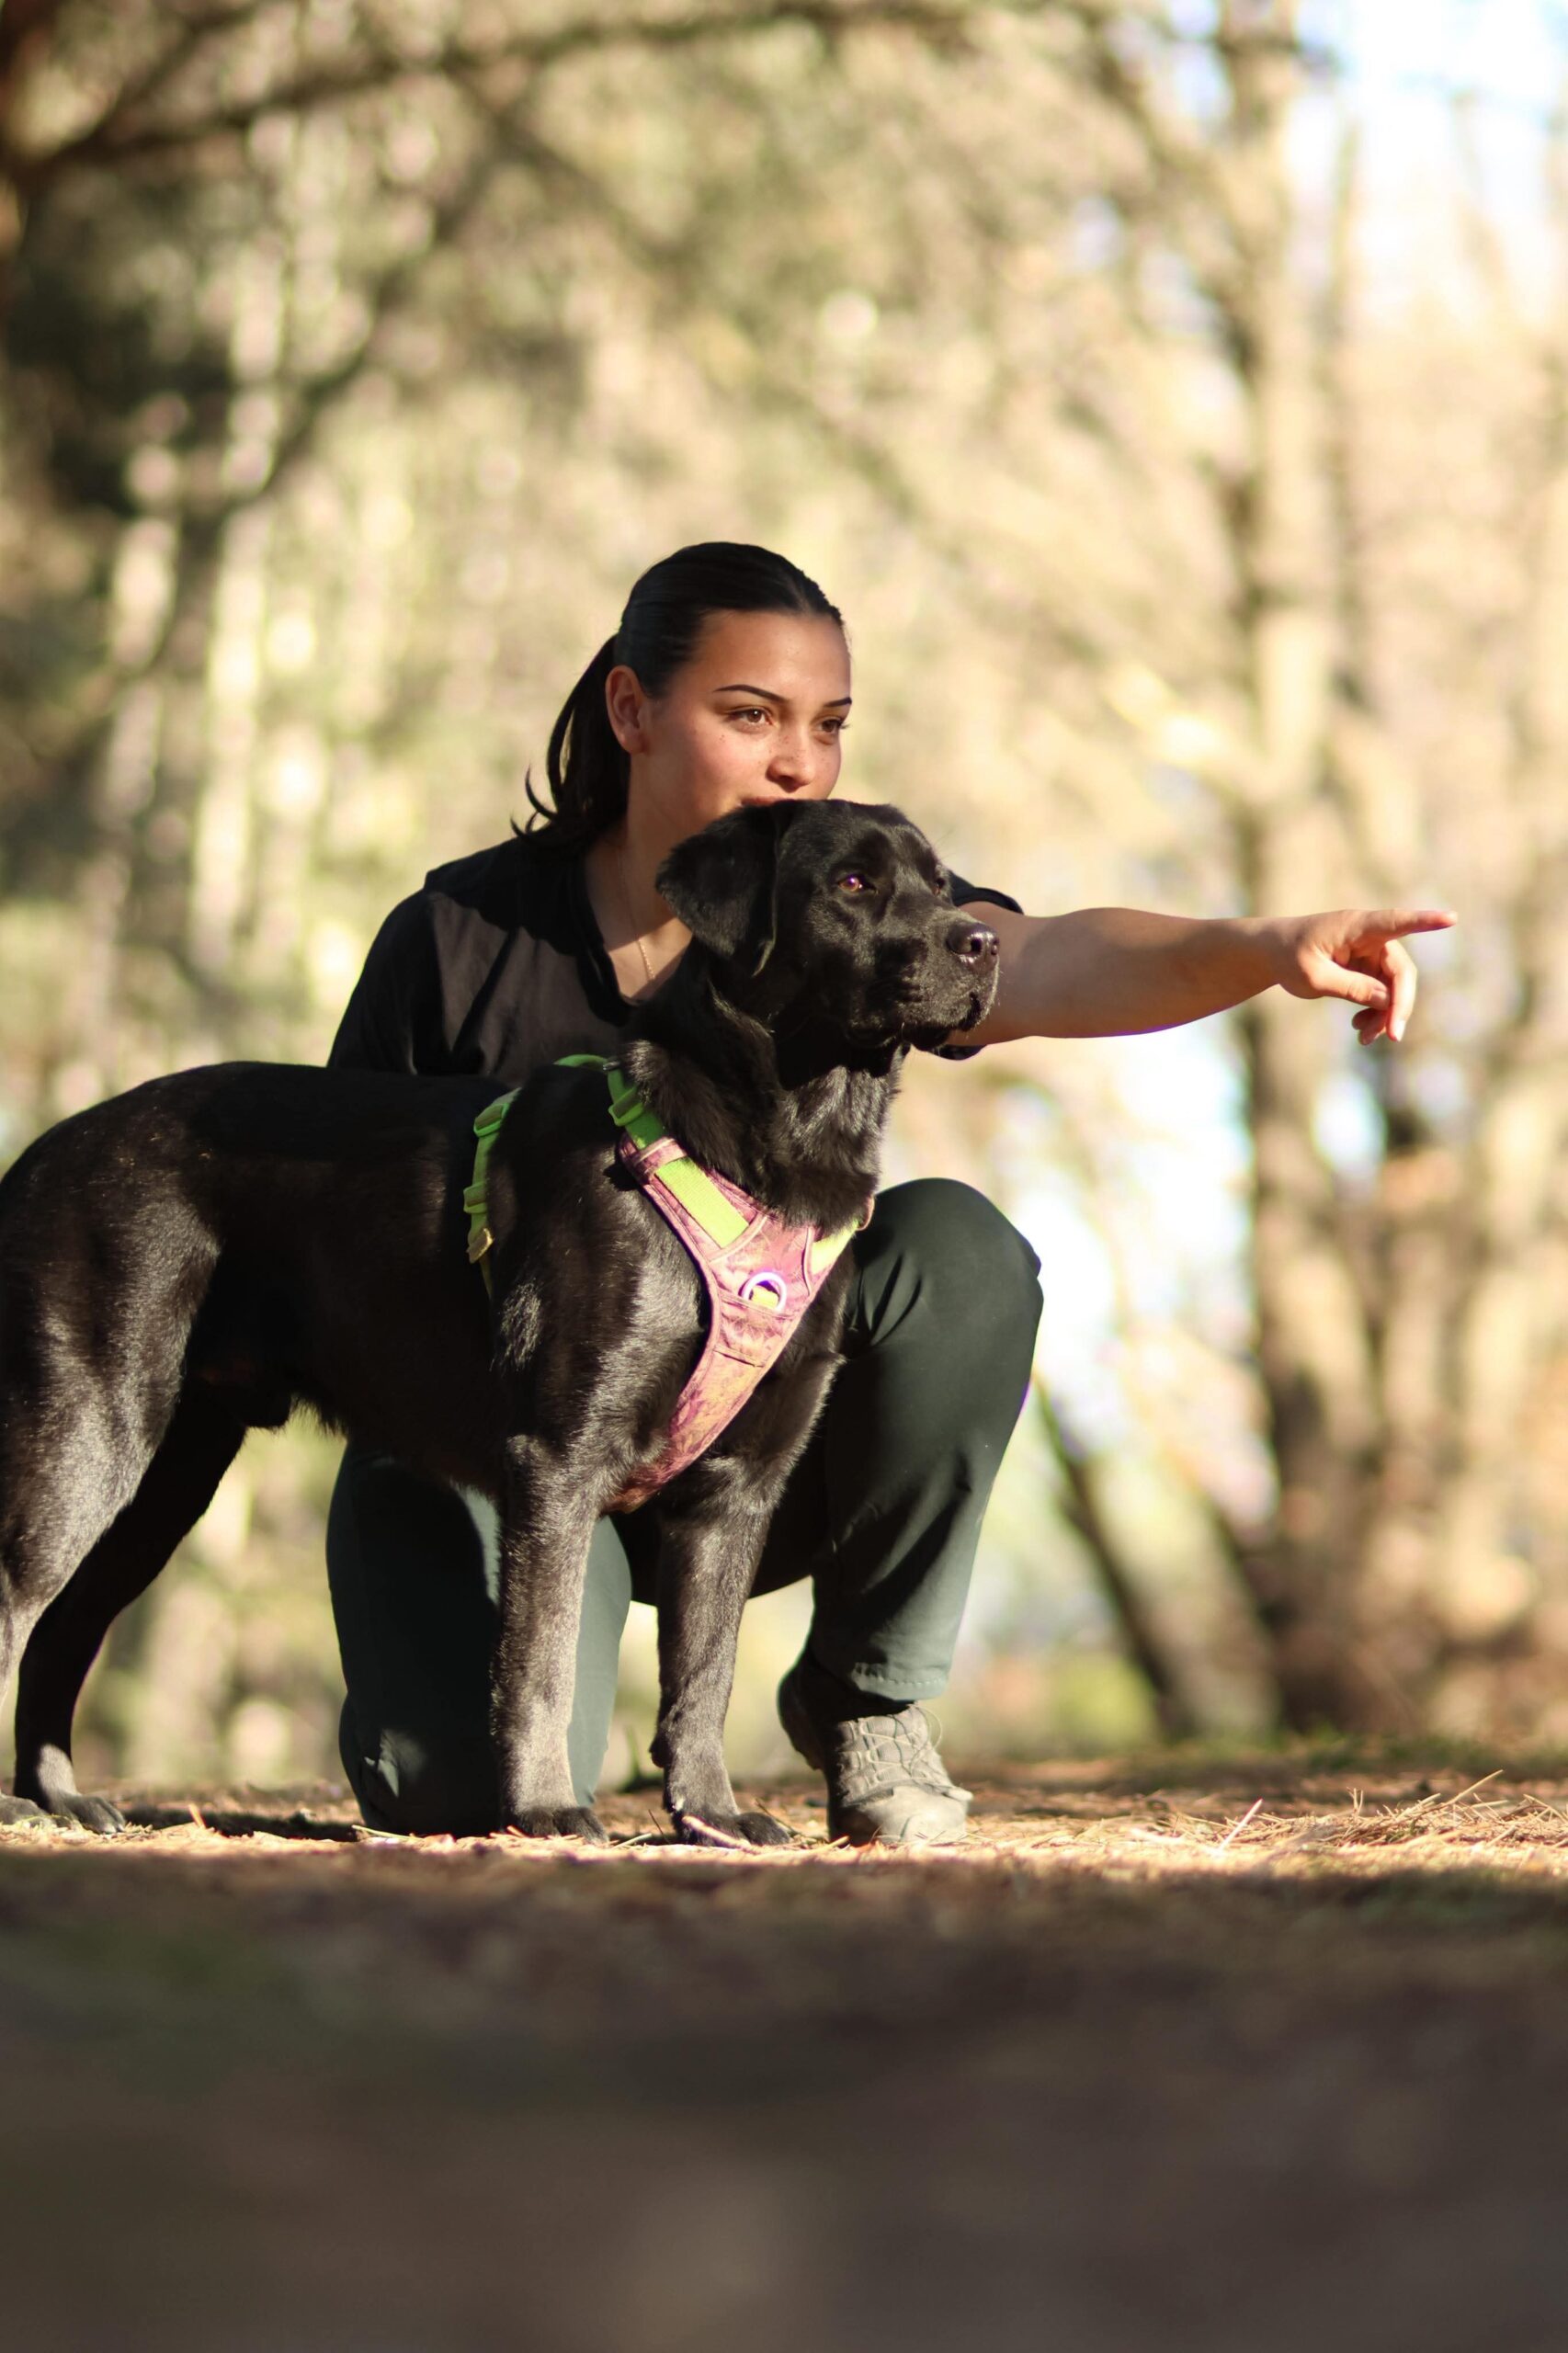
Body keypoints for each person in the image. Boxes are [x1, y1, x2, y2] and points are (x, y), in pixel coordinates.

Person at [325, 540, 1453, 1846]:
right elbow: (344, 1231)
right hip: (496, 1462)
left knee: (958, 1250)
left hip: (748, 1469)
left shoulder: (865, 904)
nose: (796, 762)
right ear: (632, 711)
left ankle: (865, 1698)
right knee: (462, 1799)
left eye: (827, 725)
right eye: (748, 717)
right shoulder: (461, 939)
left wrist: (1264, 949)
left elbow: (1051, 955)